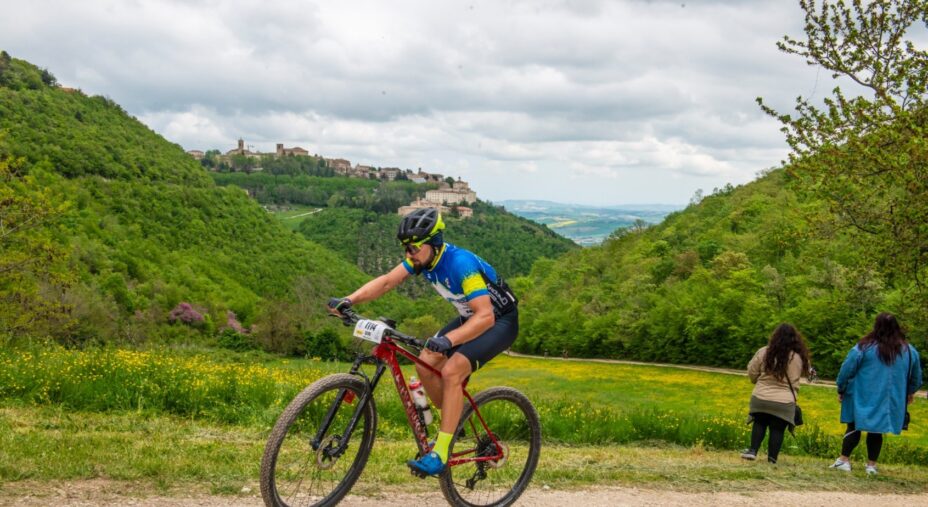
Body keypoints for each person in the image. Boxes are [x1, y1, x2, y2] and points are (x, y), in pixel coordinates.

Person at [327, 207, 518, 476]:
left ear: (433, 244)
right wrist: (349, 300)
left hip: (499, 321)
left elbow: (486, 316)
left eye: (413, 248)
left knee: (451, 371)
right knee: (426, 363)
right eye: (405, 247)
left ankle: (440, 452)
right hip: (470, 316)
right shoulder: (423, 259)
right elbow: (385, 282)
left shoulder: (461, 264)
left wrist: (448, 340)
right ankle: (454, 423)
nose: (408, 254)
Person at [830, 312, 923, 475]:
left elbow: (847, 368)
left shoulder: (864, 347)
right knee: (876, 431)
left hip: (861, 394)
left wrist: (841, 388)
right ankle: (871, 466)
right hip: (889, 399)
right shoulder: (909, 351)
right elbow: (916, 377)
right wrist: (909, 393)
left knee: (853, 426)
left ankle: (844, 460)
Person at [741, 323, 810, 464]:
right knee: (777, 429)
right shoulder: (798, 358)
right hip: (784, 402)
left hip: (761, 397)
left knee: (759, 422)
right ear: (794, 339)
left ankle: (753, 451)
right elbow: (807, 375)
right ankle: (772, 459)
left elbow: (752, 372)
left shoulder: (764, 352)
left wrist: (757, 381)